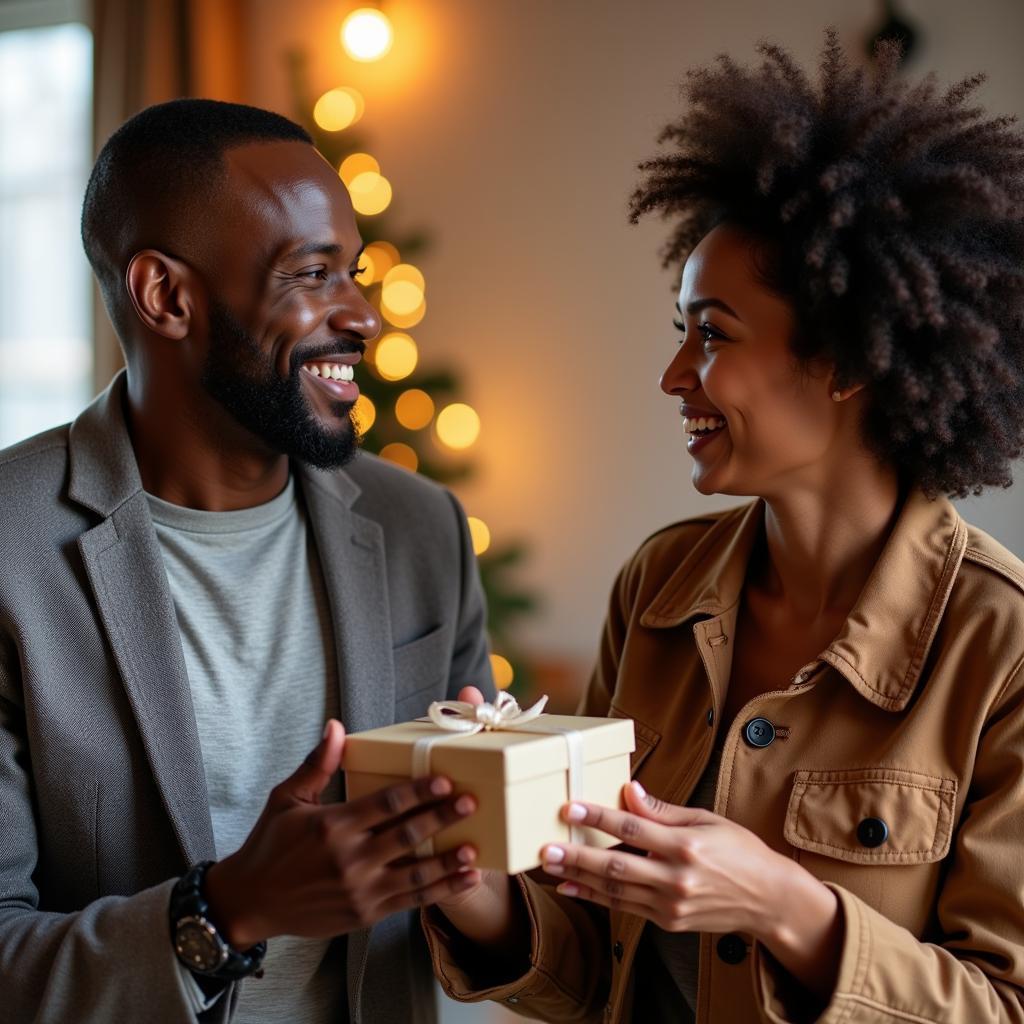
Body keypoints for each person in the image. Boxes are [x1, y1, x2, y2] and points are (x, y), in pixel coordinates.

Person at [423, 31, 1024, 1023]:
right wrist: (474, 888)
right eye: (680, 331)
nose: (674, 375)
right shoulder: (657, 586)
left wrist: (790, 910)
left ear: (844, 359)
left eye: (714, 334)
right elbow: (593, 964)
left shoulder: (998, 647)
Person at [0, 98, 494, 1024]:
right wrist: (227, 913)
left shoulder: (423, 529)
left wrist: (487, 869)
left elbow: (492, 930)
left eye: (353, 270)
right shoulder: (7, 552)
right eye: (312, 274)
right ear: (167, 297)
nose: (362, 317)